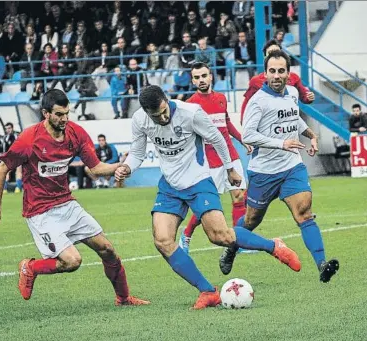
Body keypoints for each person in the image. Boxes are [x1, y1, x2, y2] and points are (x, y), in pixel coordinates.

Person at [115, 85, 301, 309]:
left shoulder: (190, 113)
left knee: (220, 236)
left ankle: (273, 246)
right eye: (157, 116)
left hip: (198, 181)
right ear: (146, 112)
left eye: (165, 111)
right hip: (170, 186)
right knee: (163, 241)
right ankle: (208, 291)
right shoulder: (139, 120)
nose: (163, 118)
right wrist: (127, 168)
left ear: (167, 100)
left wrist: (231, 168)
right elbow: (137, 153)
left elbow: (217, 138)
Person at [0, 89, 149, 306]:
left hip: (67, 204)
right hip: (40, 212)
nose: (65, 119)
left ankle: (124, 298)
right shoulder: (29, 139)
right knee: (72, 261)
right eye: (59, 114)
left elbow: (95, 168)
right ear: (45, 113)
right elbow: (2, 169)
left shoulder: (76, 133)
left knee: (108, 250)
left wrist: (120, 167)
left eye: (67, 113)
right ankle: (30, 267)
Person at [221, 50, 339, 283]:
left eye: (281, 71)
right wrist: (281, 143)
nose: (276, 75)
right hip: (264, 172)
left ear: (288, 73)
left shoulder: (293, 93)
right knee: (251, 221)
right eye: (272, 71)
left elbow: (293, 117)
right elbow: (248, 135)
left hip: (292, 167)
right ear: (265, 74)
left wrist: (310, 134)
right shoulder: (258, 101)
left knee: (304, 212)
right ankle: (231, 248)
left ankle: (322, 264)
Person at [179, 62, 252, 253]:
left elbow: (226, 123)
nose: (201, 80)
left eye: (204, 75)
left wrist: (242, 140)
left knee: (238, 197)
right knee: (206, 205)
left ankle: (239, 243)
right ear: (193, 80)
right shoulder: (189, 105)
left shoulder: (221, 98)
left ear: (211, 76)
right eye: (197, 77)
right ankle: (186, 235)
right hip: (209, 162)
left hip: (230, 155)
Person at [240, 39, 315, 124]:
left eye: (277, 52)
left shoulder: (294, 77)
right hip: (266, 126)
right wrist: (244, 120)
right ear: (265, 58)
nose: (274, 56)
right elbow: (247, 102)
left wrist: (309, 97)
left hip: (288, 125)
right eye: (270, 53)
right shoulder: (255, 81)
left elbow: (304, 96)